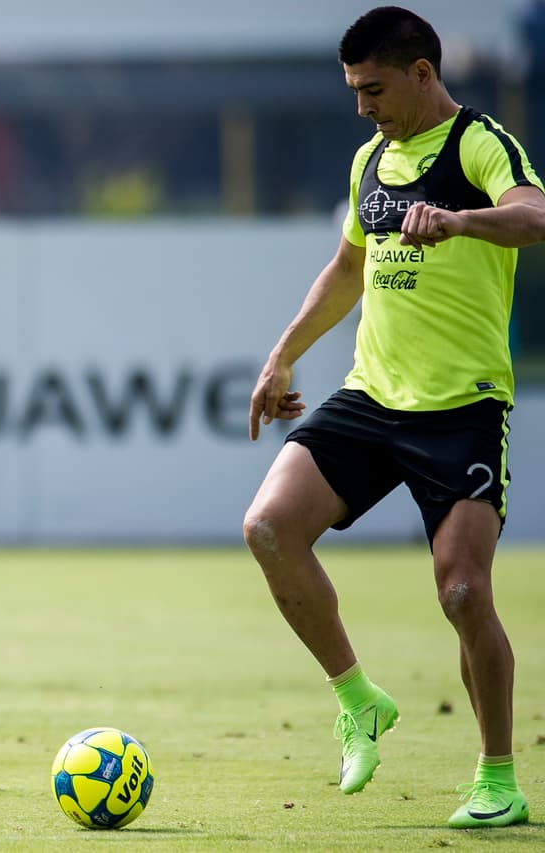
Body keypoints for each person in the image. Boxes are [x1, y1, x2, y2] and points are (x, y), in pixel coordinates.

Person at [243, 6, 543, 830]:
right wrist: (283, 355)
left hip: (462, 407)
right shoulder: (369, 159)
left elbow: (537, 215)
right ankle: (358, 699)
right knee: (267, 527)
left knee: (461, 592)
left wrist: (460, 219)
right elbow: (349, 264)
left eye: (373, 89)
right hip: (373, 396)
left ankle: (497, 776)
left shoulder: (480, 143)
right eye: (352, 91)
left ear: (421, 73)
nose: (362, 106)